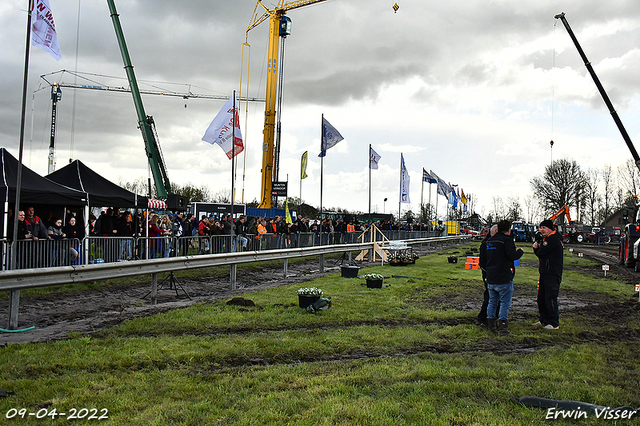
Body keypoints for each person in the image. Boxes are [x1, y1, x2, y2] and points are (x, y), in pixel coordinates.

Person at [485, 220, 523, 336]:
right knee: (504, 303)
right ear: (508, 230)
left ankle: (491, 325)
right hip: (503, 276)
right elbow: (512, 255)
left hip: (491, 275)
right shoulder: (507, 240)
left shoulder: (490, 241)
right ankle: (503, 328)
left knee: (492, 302)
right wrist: (520, 252)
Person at [532, 219, 564, 330]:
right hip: (545, 272)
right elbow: (541, 254)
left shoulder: (553, 240)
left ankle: (554, 323)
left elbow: (541, 253)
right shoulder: (547, 239)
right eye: (541, 228)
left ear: (550, 228)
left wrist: (536, 249)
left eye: (544, 228)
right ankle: (544, 319)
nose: (542, 230)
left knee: (550, 297)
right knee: (541, 297)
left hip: (552, 272)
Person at [477, 224, 499, 327]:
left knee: (491, 295)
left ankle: (486, 317)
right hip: (490, 272)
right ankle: (485, 318)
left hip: (489, 272)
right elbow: (483, 261)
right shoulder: (488, 244)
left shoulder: (487, 242)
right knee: (491, 295)